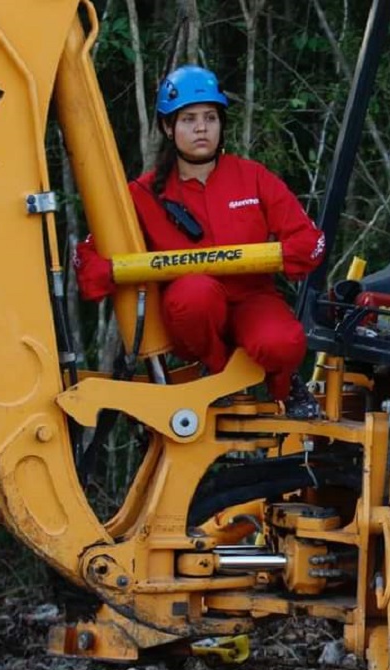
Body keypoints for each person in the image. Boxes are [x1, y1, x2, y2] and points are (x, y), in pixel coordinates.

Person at [74, 64, 325, 419]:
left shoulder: (252, 177)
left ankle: (285, 387)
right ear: (167, 127)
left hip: (252, 298)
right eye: (189, 119)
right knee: (195, 293)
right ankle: (218, 374)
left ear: (222, 124)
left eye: (210, 117)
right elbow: (89, 255)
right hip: (192, 311)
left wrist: (293, 252)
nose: (201, 128)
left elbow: (308, 239)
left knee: (282, 342)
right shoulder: (142, 195)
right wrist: (106, 271)